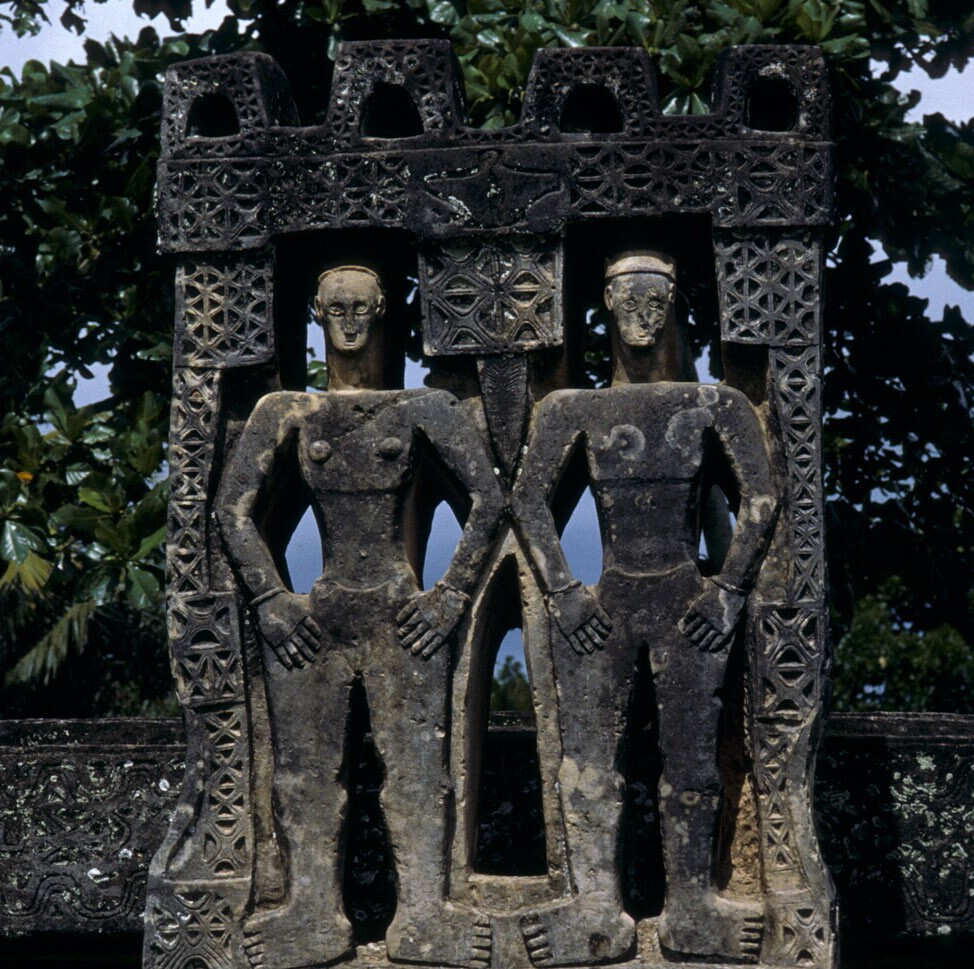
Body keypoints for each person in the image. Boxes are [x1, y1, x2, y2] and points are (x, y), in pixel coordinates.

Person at [217, 265, 502, 969]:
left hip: (400, 613)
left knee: (417, 771)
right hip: (318, 616)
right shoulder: (287, 411)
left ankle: (425, 913)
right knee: (304, 774)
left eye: (362, 309)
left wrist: (449, 595)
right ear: (316, 313)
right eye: (336, 308)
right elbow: (232, 509)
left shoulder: (422, 408)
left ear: (382, 314)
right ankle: (313, 911)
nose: (349, 322)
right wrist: (271, 599)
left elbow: (490, 499)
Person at [512, 251, 779, 964]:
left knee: (690, 762)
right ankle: (595, 905)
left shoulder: (714, 406)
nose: (641, 316)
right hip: (608, 603)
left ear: (673, 308)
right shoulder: (574, 411)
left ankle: (691, 905)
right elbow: (529, 499)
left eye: (655, 302)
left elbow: (761, 495)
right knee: (590, 764)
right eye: (628, 300)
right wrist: (565, 591)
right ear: (605, 303)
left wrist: (727, 589)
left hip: (687, 601)